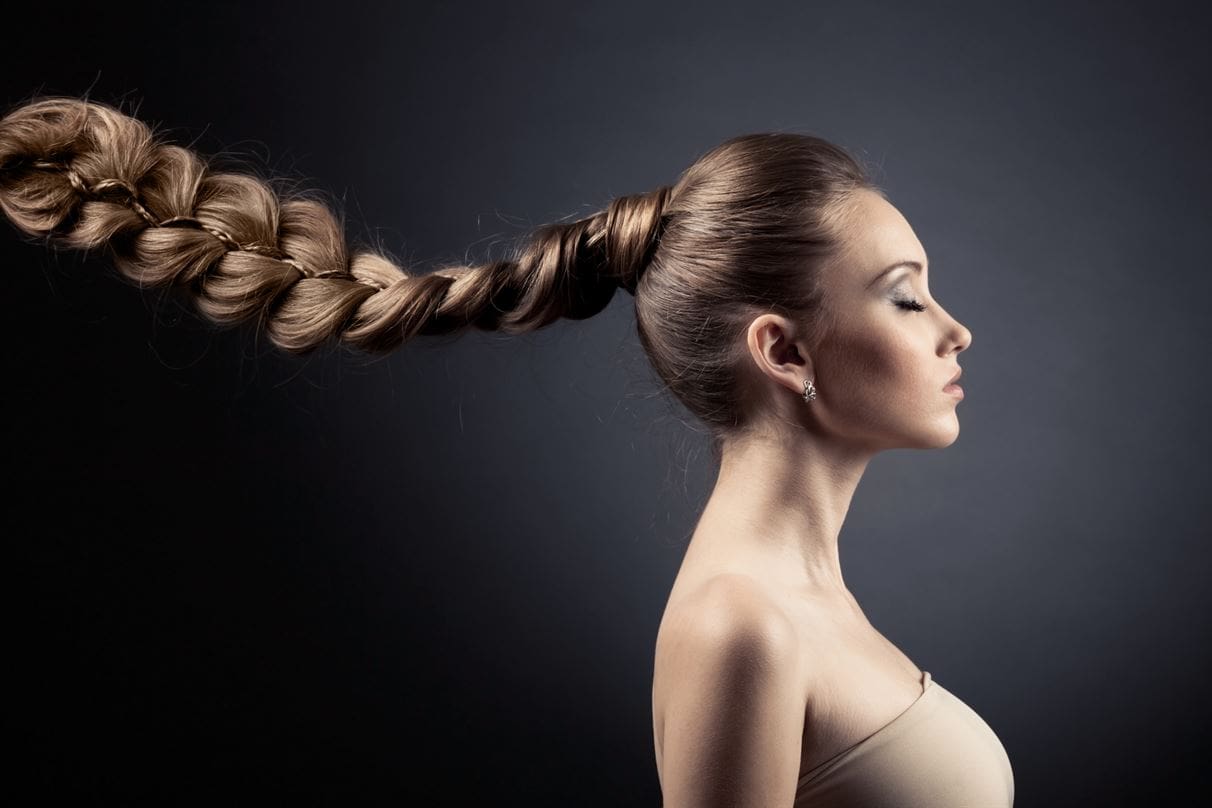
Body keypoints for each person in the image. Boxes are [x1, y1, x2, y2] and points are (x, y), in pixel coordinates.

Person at [0, 95, 1011, 807]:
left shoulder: (801, 603)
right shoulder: (741, 625)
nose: (953, 330)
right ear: (782, 349)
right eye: (905, 293)